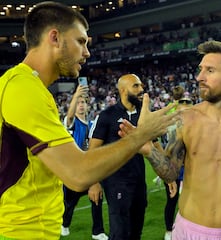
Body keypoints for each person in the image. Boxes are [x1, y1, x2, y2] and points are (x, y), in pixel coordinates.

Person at [0, 2, 178, 239]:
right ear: (54, 37)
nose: (87, 52)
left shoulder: (28, 87)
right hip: (21, 231)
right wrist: (142, 134)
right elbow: (78, 174)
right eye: (81, 42)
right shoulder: (22, 89)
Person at [122, 40, 221, 239]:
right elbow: (171, 173)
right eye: (200, 70)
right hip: (188, 231)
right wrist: (149, 150)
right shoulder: (186, 119)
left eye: (210, 70)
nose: (199, 77)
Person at [88, 73, 147, 240]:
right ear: (122, 90)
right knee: (120, 233)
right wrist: (93, 183)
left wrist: (168, 177)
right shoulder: (107, 115)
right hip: (116, 181)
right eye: (136, 86)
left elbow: (154, 145)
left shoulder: (144, 114)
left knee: (136, 232)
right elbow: (92, 150)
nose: (141, 89)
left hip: (139, 180)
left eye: (141, 85)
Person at [61, 85, 108, 240]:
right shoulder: (72, 122)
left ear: (88, 105)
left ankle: (97, 231)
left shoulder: (92, 124)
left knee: (97, 197)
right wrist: (76, 95)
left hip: (89, 169)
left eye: (83, 102)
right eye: (79, 102)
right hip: (74, 171)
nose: (81, 105)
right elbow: (68, 115)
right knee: (70, 203)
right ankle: (64, 224)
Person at [163, 92, 192, 240]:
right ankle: (169, 230)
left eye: (188, 111)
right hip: (174, 169)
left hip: (191, 170)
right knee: (172, 200)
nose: (184, 115)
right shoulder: (173, 128)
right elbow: (169, 151)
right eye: (181, 112)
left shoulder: (196, 128)